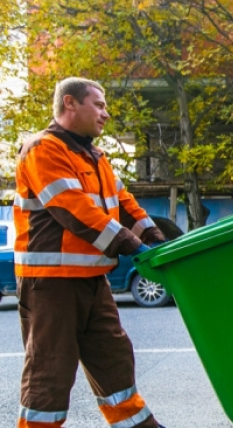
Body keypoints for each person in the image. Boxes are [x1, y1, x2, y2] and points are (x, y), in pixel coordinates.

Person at [13, 77, 166, 428]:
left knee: (114, 361)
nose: (105, 114)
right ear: (70, 103)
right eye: (98, 105)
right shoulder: (43, 149)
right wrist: (134, 245)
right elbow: (74, 210)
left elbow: (125, 206)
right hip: (51, 285)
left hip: (93, 281)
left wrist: (157, 240)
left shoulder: (96, 157)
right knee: (49, 373)